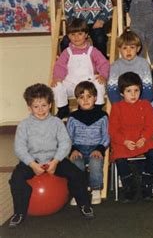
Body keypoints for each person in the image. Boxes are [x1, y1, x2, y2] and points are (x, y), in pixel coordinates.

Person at [8, 84, 93, 228]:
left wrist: (55, 162)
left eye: (44, 105)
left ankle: (84, 205)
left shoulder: (57, 122)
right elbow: (19, 148)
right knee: (15, 180)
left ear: (50, 105)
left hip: (55, 159)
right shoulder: (24, 125)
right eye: (36, 106)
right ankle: (19, 213)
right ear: (29, 108)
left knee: (77, 174)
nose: (41, 110)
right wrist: (32, 164)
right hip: (32, 161)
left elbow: (65, 143)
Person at [108, 72, 153, 202]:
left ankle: (147, 183)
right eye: (129, 91)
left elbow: (151, 125)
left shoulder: (146, 105)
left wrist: (144, 138)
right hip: (124, 141)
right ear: (121, 93)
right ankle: (128, 185)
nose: (133, 94)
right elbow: (113, 130)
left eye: (136, 90)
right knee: (119, 157)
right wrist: (124, 141)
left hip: (142, 139)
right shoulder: (116, 107)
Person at [51, 18, 109, 119]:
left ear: (86, 35)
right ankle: (63, 108)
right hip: (71, 84)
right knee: (56, 86)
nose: (76, 37)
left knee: (99, 84)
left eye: (80, 34)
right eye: (72, 35)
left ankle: (98, 108)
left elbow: (104, 64)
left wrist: (103, 75)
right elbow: (59, 66)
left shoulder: (92, 51)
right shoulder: (67, 52)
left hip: (88, 85)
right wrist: (57, 78)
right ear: (68, 36)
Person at [67, 81, 109, 205]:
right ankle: (79, 192)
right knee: (76, 165)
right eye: (81, 97)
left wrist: (100, 149)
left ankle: (96, 190)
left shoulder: (102, 116)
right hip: (77, 149)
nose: (85, 100)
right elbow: (68, 136)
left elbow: (106, 136)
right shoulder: (73, 117)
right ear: (77, 100)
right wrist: (72, 149)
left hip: (96, 148)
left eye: (89, 96)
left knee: (95, 163)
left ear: (95, 98)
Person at [107, 29, 153, 104]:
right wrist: (119, 105)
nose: (128, 51)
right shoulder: (115, 66)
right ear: (119, 49)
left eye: (132, 47)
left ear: (138, 48)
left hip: (141, 103)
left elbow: (148, 89)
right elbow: (112, 90)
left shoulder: (143, 64)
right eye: (125, 48)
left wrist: (143, 104)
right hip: (122, 104)